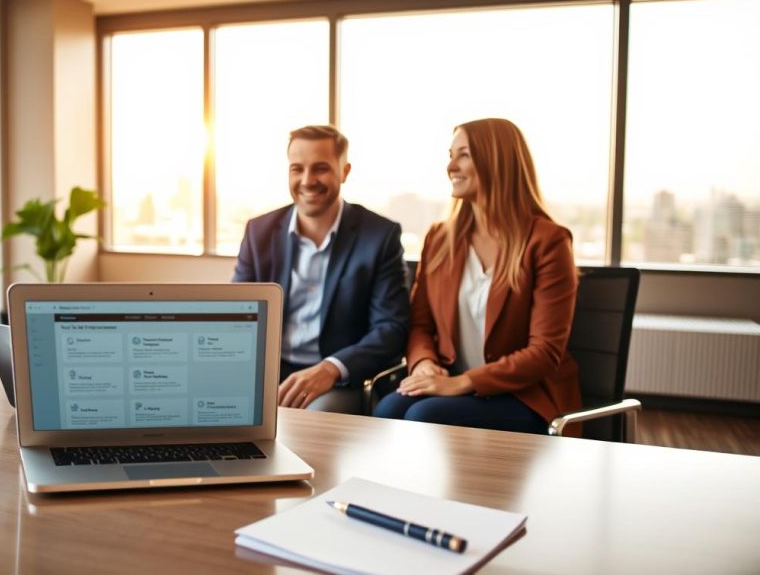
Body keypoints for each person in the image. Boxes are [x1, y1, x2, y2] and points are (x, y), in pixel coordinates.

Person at [374, 118, 580, 434]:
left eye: (464, 155)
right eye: (450, 154)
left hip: (525, 395)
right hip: (454, 383)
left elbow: (544, 353)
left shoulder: (547, 241)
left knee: (424, 415)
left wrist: (463, 382)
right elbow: (420, 325)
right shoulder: (441, 239)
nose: (450, 166)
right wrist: (424, 363)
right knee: (388, 407)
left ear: (497, 162)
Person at [233, 125, 410, 414]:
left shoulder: (379, 236)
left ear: (345, 171)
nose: (307, 180)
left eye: (320, 169)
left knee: (311, 420)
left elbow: (391, 330)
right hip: (265, 373)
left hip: (337, 380)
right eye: (297, 169)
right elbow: (238, 313)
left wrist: (331, 369)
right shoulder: (259, 231)